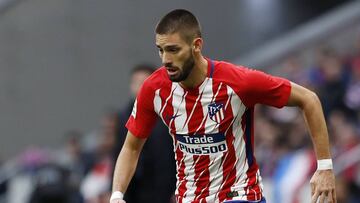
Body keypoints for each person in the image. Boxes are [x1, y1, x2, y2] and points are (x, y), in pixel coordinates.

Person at [111, 9, 336, 203]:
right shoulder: (154, 89)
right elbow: (131, 147)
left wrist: (324, 166)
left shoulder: (238, 82)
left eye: (173, 50)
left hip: (239, 195)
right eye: (160, 50)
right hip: (188, 197)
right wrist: (117, 195)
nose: (165, 59)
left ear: (196, 45)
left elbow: (309, 99)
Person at [112, 65, 176, 203]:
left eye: (143, 82)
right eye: (135, 82)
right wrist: (115, 192)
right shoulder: (123, 117)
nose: (139, 87)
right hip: (134, 188)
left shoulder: (169, 112)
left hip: (163, 187)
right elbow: (120, 152)